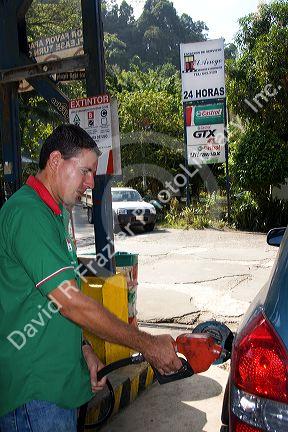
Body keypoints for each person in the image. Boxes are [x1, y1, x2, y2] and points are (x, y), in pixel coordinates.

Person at [0, 124, 182, 432]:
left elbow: (52, 301)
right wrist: (148, 344)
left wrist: (83, 347)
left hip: (58, 385)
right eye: (84, 172)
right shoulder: (28, 214)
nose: (89, 183)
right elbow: (72, 303)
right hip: (34, 393)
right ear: (56, 161)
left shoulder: (54, 212)